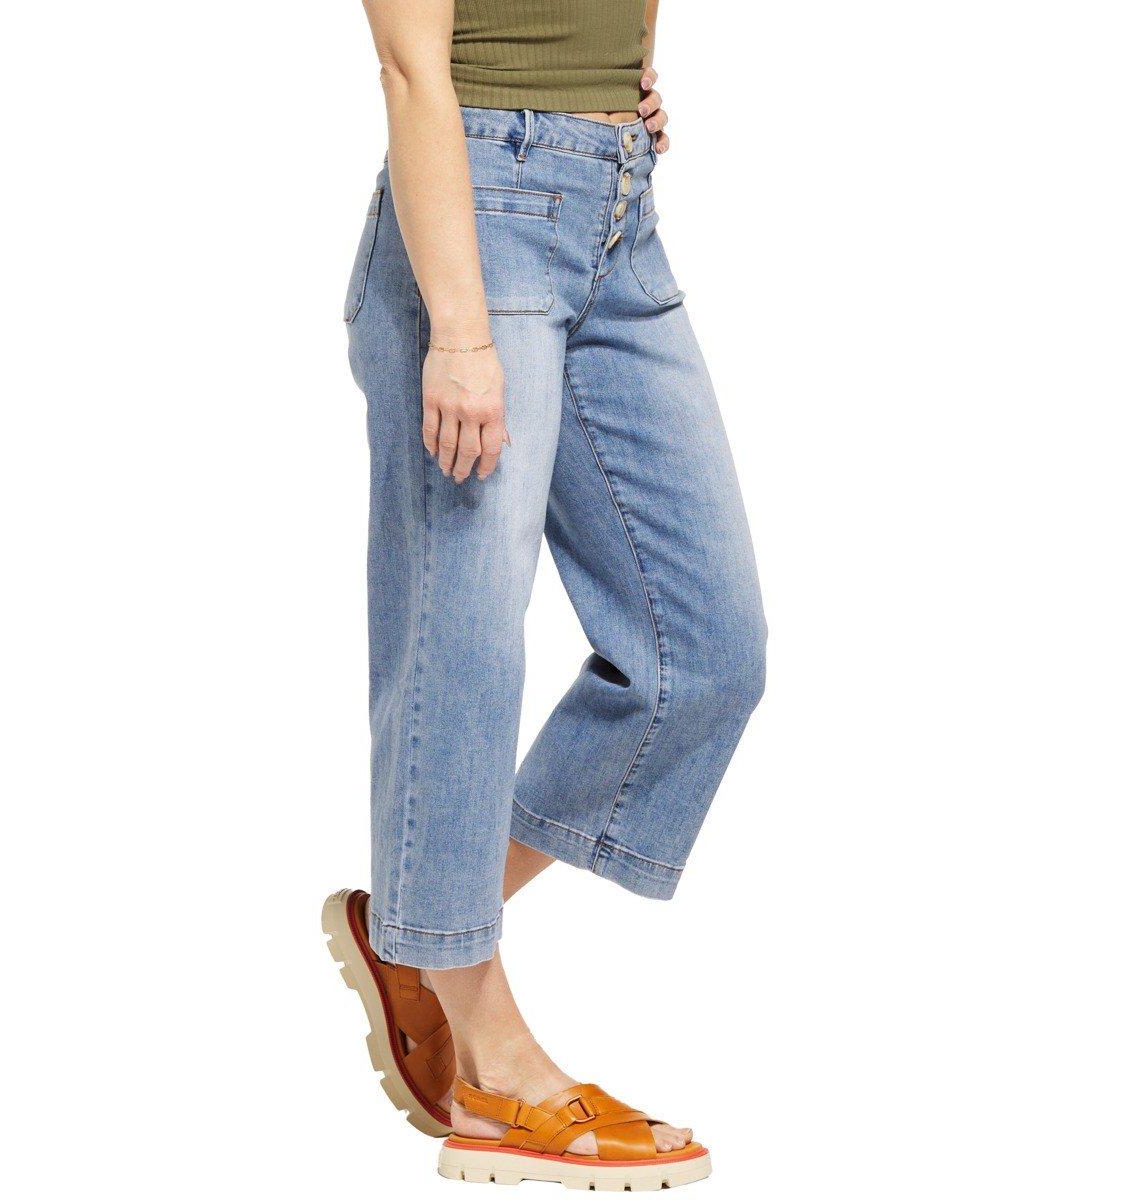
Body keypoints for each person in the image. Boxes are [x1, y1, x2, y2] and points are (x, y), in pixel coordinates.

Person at [323, 0, 766, 1187]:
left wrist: (631, 70)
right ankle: (492, 1064)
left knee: (706, 654)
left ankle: (417, 930)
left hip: (617, 203)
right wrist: (458, 333)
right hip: (477, 208)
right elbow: (410, 67)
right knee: (464, 643)